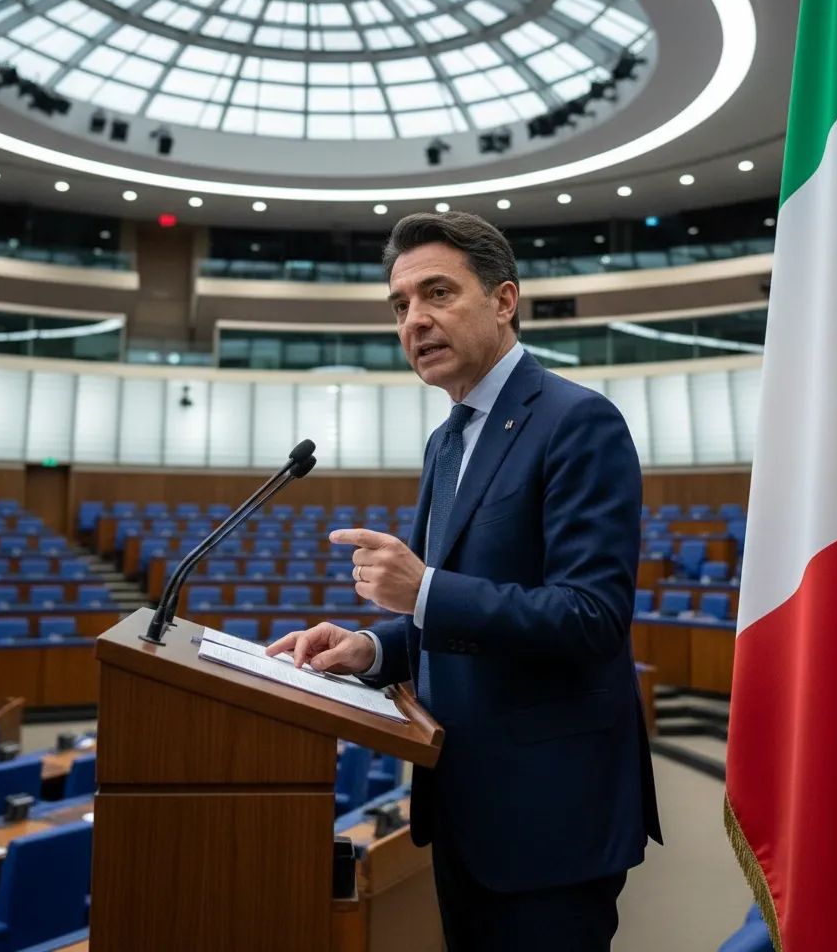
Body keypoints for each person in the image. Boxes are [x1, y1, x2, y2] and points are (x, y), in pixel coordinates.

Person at [267, 211, 661, 951]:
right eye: (401, 304)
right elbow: (451, 617)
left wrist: (420, 591)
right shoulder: (446, 440)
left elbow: (590, 616)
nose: (415, 320)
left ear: (504, 300)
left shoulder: (579, 421)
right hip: (463, 805)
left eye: (438, 294)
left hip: (550, 818)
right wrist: (369, 649)